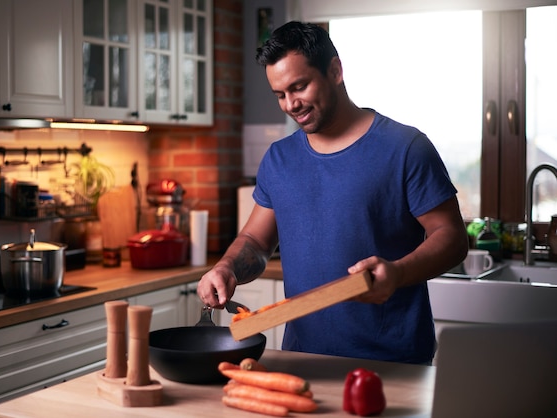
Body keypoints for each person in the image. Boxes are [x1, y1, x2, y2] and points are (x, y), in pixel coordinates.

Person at [197, 21, 468, 364]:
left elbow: (452, 237)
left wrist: (397, 272)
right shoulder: (279, 159)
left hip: (393, 361)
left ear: (335, 71)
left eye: (299, 87)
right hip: (303, 359)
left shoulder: (405, 147)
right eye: (280, 94)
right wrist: (227, 269)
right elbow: (256, 240)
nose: (290, 104)